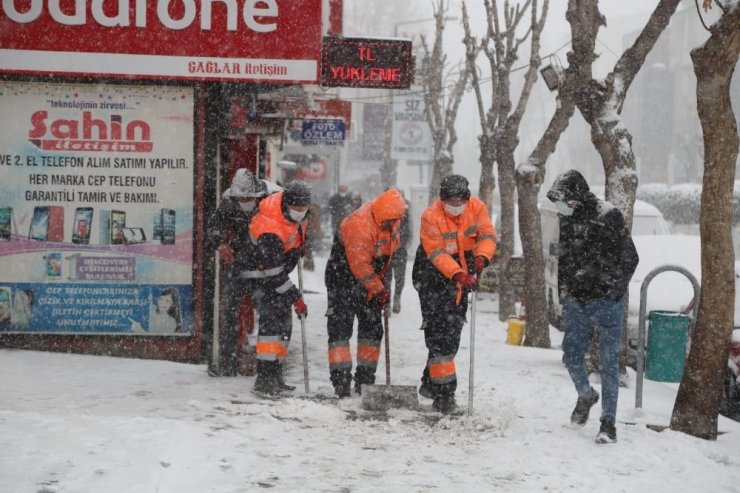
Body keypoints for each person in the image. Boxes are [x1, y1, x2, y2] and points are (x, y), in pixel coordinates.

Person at [546, 169, 639, 444]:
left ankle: (608, 423)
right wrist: (566, 292)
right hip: (577, 300)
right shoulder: (567, 217)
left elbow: (630, 257)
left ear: (577, 196)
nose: (561, 207)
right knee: (571, 354)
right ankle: (586, 395)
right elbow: (565, 257)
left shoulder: (608, 215)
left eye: (564, 200)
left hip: (607, 301)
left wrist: (613, 290)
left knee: (609, 363)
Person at [412, 175, 496, 414]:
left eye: (460, 200)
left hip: (464, 273)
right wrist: (458, 274)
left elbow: (487, 235)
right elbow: (437, 253)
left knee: (453, 332)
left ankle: (430, 382)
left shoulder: (477, 207)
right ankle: (444, 394)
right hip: (432, 276)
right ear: (442, 200)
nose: (456, 204)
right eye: (451, 200)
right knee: (440, 337)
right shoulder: (431, 216)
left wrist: (482, 256)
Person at [324, 188, 407, 398]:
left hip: (373, 278)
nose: (391, 224)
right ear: (380, 214)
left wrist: (385, 287)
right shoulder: (359, 225)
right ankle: (341, 381)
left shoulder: (393, 220)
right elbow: (360, 267)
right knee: (340, 330)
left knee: (372, 329)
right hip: (342, 275)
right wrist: (379, 289)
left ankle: (365, 380)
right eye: (388, 221)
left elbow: (389, 256)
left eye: (395, 220)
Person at [247, 180, 312, 397]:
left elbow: (296, 235)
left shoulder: (297, 216)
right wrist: (296, 297)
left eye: (304, 210)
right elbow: (273, 272)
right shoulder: (269, 227)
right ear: (287, 205)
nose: (300, 214)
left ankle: (276, 375)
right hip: (260, 277)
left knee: (285, 326)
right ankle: (264, 379)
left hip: (277, 273)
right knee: (271, 328)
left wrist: (299, 249)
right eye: (297, 210)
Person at [205, 168, 267, 376]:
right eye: (241, 197)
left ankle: (269, 366)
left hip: (265, 263)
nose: (245, 200)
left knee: (269, 312)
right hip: (239, 262)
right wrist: (221, 243)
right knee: (228, 310)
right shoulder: (229, 202)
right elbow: (214, 226)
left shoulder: (269, 201)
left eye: (248, 196)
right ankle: (228, 362)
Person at [388, 190, 412, 314]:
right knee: (386, 278)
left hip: (400, 250)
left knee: (399, 278)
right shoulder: (385, 212)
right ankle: (387, 303)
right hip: (387, 251)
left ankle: (397, 298)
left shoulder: (405, 212)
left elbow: (407, 231)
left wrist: (401, 244)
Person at [302, 201, 322, 272]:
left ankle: (308, 265)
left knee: (308, 248)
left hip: (309, 232)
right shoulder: (314, 209)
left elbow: (313, 222)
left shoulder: (310, 210)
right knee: (308, 248)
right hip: (311, 232)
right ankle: (308, 264)